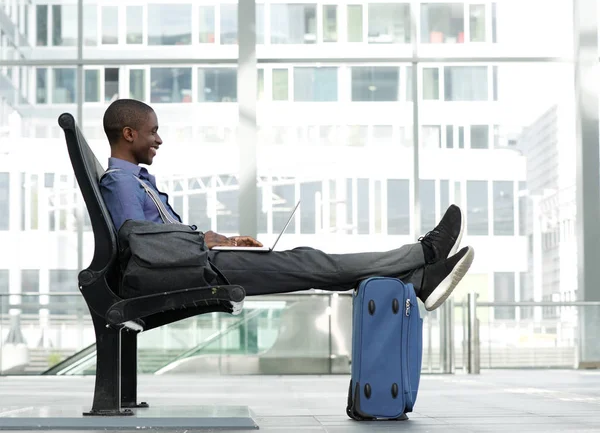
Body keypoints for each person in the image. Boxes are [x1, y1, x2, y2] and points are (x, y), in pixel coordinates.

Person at [99, 99, 475, 311]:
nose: (159, 140)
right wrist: (206, 245)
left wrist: (213, 238)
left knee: (312, 264)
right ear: (129, 133)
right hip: (202, 272)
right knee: (311, 263)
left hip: (203, 262)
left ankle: (418, 278)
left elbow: (155, 239)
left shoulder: (135, 181)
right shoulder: (120, 182)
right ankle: (423, 254)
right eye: (153, 132)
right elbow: (143, 244)